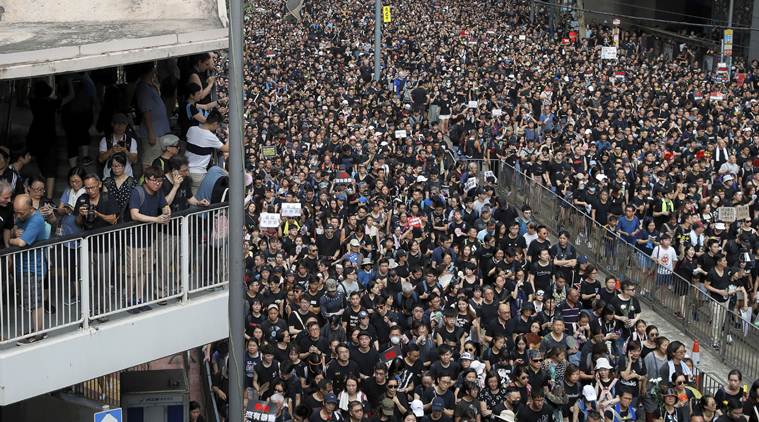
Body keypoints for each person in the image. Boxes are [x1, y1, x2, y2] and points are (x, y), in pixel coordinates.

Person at [125, 166, 171, 313]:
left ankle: (139, 299)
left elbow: (165, 205)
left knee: (144, 272)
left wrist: (166, 212)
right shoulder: (137, 192)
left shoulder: (158, 193)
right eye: (154, 180)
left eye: (160, 180)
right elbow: (134, 215)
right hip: (134, 241)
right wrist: (156, 219)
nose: (158, 183)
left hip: (149, 240)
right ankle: (128, 301)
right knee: (132, 272)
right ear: (146, 180)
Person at [10, 194, 51, 344]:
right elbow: (16, 228)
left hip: (34, 268)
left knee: (36, 303)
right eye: (16, 211)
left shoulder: (36, 219)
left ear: (30, 208)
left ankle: (38, 334)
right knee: (33, 302)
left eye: (21, 212)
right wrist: (15, 231)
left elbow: (21, 243)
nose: (18, 215)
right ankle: (38, 330)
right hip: (25, 266)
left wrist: (10, 239)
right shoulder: (23, 216)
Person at [186, 109, 229, 194]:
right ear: (215, 124)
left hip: (185, 170)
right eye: (218, 125)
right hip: (198, 174)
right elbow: (226, 148)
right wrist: (229, 135)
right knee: (195, 201)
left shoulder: (191, 129)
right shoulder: (210, 137)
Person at [98, 113, 139, 178]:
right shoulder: (105, 140)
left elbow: (135, 160)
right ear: (112, 124)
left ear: (126, 125)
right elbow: (100, 159)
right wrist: (111, 150)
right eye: (117, 123)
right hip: (109, 176)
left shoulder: (131, 141)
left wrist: (126, 151)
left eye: (123, 124)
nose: (120, 126)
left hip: (127, 176)